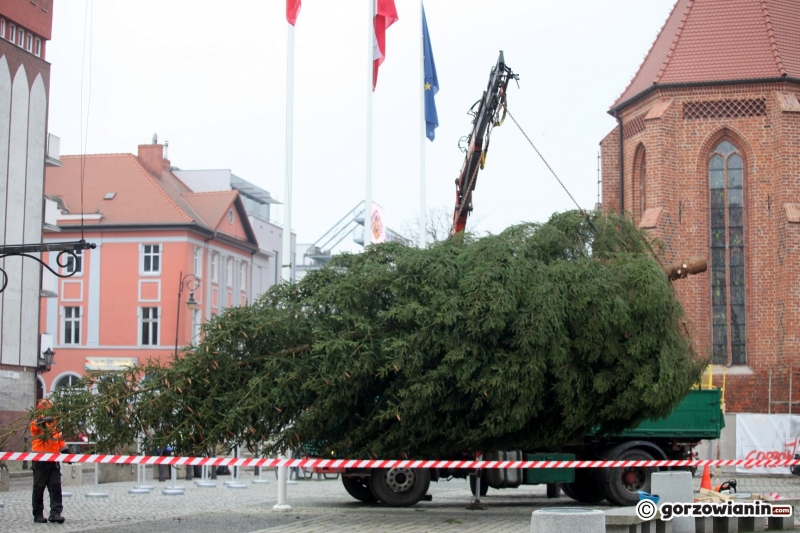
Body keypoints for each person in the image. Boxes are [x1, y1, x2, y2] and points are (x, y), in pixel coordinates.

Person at [30, 399, 69, 524]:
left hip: (54, 460)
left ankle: (55, 513)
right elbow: (35, 426)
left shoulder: (54, 423)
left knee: (55, 486)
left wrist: (66, 451)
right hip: (40, 461)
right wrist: (43, 419)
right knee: (39, 488)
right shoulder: (38, 422)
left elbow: (58, 439)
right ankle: (38, 514)